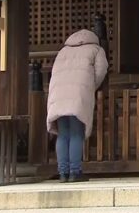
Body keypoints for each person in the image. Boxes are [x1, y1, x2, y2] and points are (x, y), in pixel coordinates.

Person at [46, 29, 108, 182]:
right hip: (78, 94)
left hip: (58, 95)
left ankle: (62, 172)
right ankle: (75, 171)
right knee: (76, 133)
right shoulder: (96, 50)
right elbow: (101, 71)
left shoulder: (63, 51)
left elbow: (54, 73)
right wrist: (90, 86)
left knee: (63, 134)